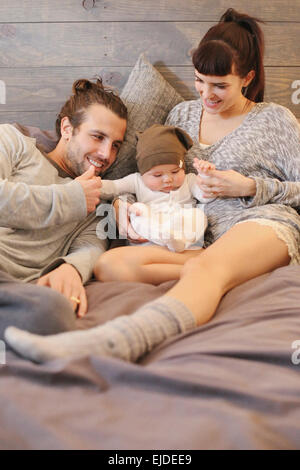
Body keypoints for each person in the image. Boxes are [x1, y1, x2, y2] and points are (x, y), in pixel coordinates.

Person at [4, 8, 300, 363]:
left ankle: (120, 341)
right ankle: (232, 268)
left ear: (247, 78)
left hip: (259, 221)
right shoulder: (182, 116)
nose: (207, 94)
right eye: (200, 80)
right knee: (110, 266)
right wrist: (123, 204)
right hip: (195, 241)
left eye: (220, 85)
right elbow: (147, 176)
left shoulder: (274, 119)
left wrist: (250, 187)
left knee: (208, 270)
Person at [0, 78, 127, 338]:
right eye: (98, 136)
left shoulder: (98, 203)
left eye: (115, 145)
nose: (106, 154)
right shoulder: (14, 143)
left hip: (13, 290)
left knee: (53, 312)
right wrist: (71, 198)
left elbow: (92, 246)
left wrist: (71, 268)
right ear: (67, 128)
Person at [94, 124, 216, 285]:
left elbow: (206, 197)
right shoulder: (137, 181)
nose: (168, 179)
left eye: (174, 172)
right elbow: (113, 187)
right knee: (138, 210)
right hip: (150, 236)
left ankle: (177, 240)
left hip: (182, 235)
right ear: (143, 173)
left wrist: (206, 177)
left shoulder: (189, 181)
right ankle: (163, 235)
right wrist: (89, 185)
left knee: (197, 215)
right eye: (157, 175)